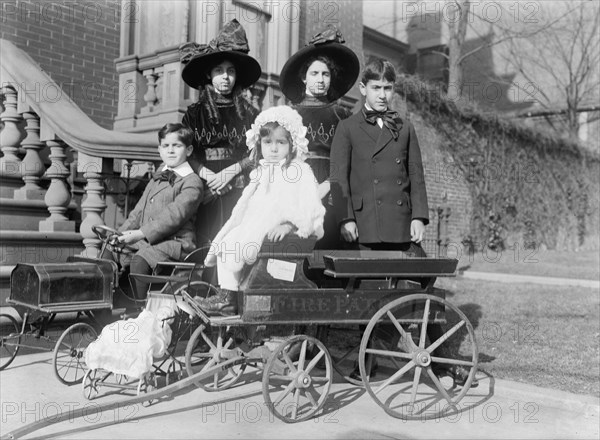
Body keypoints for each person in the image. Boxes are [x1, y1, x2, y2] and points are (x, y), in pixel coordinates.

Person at [329, 58, 477, 387]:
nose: (383, 95)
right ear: (363, 89)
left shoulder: (405, 127)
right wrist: (345, 219)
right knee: (372, 297)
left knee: (425, 291)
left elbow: (417, 176)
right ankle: (364, 362)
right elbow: (338, 179)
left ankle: (440, 363)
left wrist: (419, 217)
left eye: (388, 88)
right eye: (377, 88)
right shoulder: (347, 128)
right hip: (364, 227)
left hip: (401, 225)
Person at [195, 106, 326, 316]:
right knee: (227, 240)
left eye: (281, 143)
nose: (274, 149)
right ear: (259, 145)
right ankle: (229, 296)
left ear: (292, 145)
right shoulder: (261, 172)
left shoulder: (298, 171)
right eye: (267, 143)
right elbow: (249, 207)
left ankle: (232, 298)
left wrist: (289, 224)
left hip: (282, 239)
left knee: (237, 244)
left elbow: (310, 208)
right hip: (257, 232)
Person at [179, 19, 261, 246]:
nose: (225, 77)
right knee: (206, 245)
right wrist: (211, 179)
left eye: (231, 71)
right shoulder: (194, 114)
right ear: (208, 74)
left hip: (240, 189)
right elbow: (186, 153)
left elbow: (258, 154)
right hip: (205, 189)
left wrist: (230, 174)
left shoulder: (250, 114)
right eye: (219, 70)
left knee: (235, 245)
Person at [278, 25, 359, 249]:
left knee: (327, 247)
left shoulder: (342, 115)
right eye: (314, 73)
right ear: (304, 78)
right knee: (296, 245)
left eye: (325, 74)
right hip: (296, 182)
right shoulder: (289, 113)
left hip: (331, 185)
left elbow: (348, 160)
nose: (320, 79)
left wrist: (327, 186)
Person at [117, 123, 203, 298]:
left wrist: (141, 233)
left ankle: (141, 312)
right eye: (166, 146)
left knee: (141, 259)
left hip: (176, 243)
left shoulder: (191, 182)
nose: (170, 151)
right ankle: (109, 304)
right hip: (151, 240)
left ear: (189, 150)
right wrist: (119, 235)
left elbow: (173, 216)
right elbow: (138, 211)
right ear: (159, 149)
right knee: (112, 251)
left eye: (177, 146)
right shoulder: (157, 178)